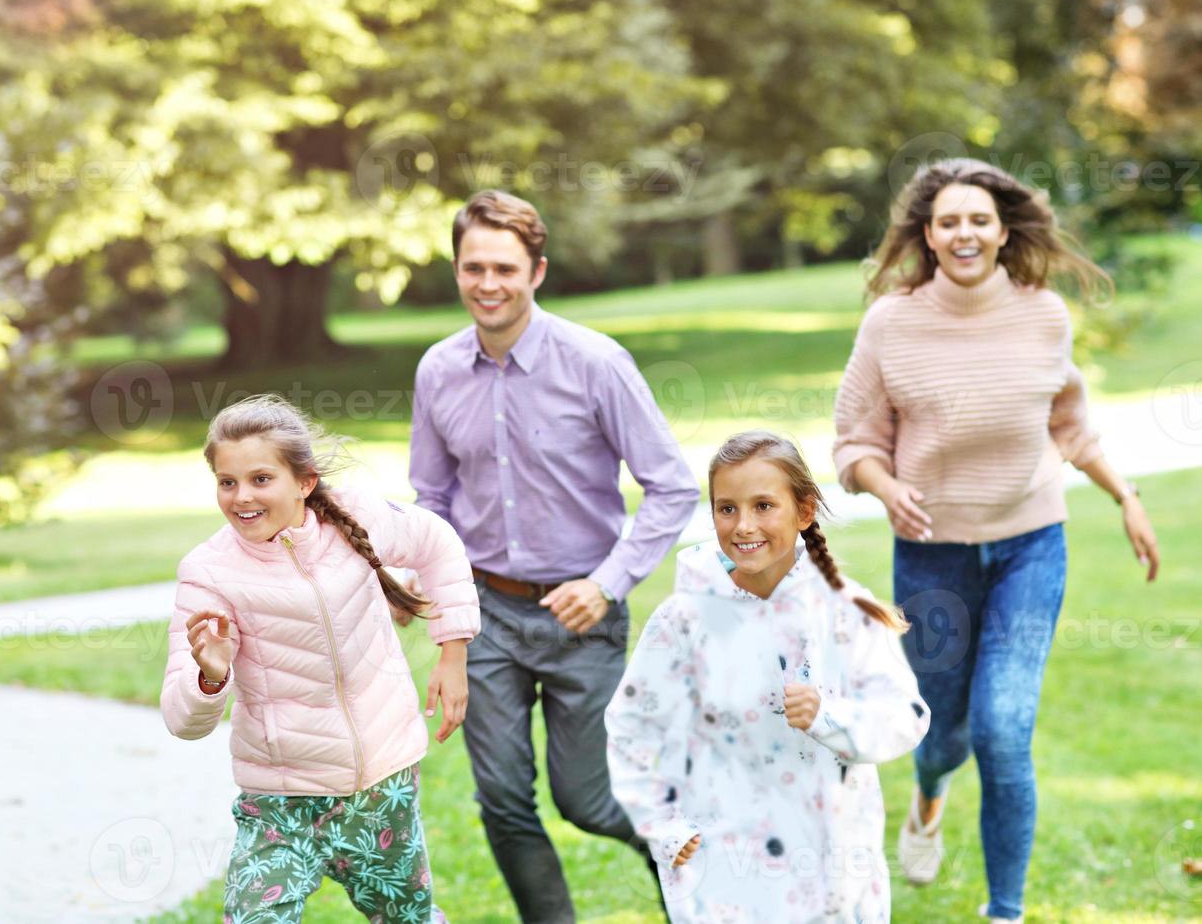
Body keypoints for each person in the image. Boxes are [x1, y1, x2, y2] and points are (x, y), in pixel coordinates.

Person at [833, 158, 1162, 923]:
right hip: (931, 556)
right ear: (929, 234)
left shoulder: (1043, 314)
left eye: (979, 218)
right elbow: (853, 441)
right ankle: (929, 792)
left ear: (1004, 229)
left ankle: (1005, 912)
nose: (965, 232)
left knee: (1004, 730)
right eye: (948, 220)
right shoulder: (892, 321)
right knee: (942, 732)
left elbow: (1071, 424)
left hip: (1029, 546)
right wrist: (885, 487)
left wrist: (1127, 499)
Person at [409, 189, 700, 922]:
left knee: (589, 798)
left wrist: (606, 584)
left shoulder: (595, 364)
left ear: (536, 271)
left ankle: (699, 872)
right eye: (472, 267)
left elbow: (672, 486)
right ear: (456, 270)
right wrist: (436, 607)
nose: (487, 284)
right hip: (486, 614)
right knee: (503, 801)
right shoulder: (438, 372)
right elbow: (432, 504)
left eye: (504, 268)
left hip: (582, 616)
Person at [161, 394, 480, 923]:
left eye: (261, 479)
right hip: (281, 801)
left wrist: (453, 652)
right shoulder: (208, 572)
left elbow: (437, 543)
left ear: (304, 482)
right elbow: (180, 719)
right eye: (227, 482)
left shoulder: (356, 515)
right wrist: (209, 676)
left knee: (409, 918)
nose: (241, 497)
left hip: (383, 783)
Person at [605, 430, 929, 923]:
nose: (743, 525)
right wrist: (666, 826)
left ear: (803, 512)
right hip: (725, 872)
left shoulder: (845, 613)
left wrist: (830, 716)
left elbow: (906, 716)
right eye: (726, 508)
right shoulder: (683, 621)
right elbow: (632, 725)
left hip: (829, 866)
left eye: (763, 506)